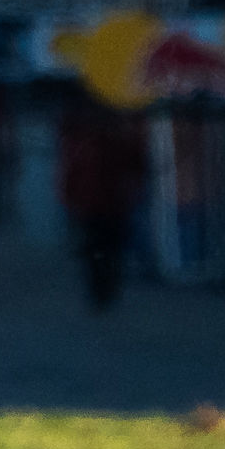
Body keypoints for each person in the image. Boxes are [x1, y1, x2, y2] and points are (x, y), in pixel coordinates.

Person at [56, 94, 147, 311]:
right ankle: (102, 288)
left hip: (105, 203)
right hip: (101, 203)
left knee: (103, 247)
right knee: (101, 248)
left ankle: (102, 288)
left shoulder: (100, 140)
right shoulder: (93, 139)